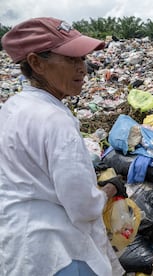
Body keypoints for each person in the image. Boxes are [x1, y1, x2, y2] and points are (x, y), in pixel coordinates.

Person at [0, 17, 125, 276]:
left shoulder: (12, 108)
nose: (83, 69)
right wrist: (109, 190)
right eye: (71, 59)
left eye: (82, 59)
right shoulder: (56, 120)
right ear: (36, 63)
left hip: (16, 247)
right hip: (59, 253)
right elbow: (83, 207)